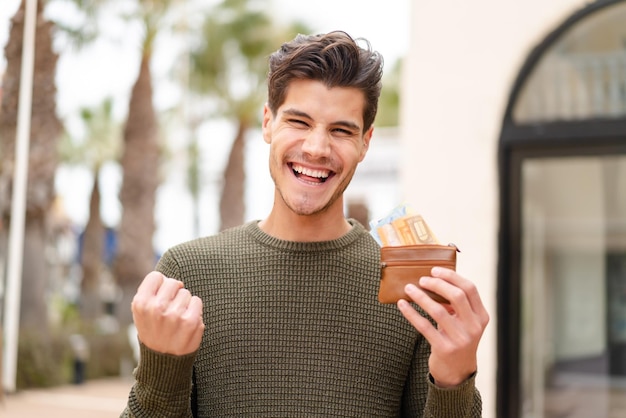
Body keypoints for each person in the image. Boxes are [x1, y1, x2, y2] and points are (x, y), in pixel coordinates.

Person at [120, 30, 489, 417]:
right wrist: (161, 369)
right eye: (299, 122)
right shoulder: (187, 274)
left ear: (366, 142)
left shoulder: (410, 287)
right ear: (268, 122)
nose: (316, 148)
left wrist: (455, 380)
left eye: (341, 130)